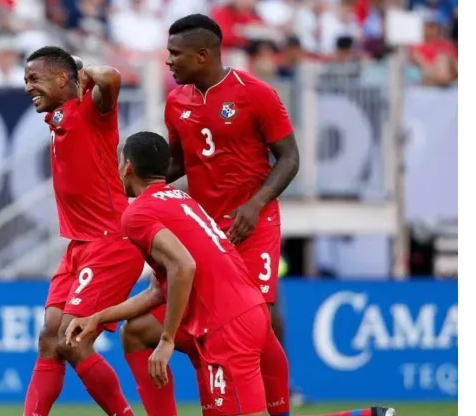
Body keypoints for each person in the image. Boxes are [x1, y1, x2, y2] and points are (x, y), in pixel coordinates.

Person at [120, 14, 395, 416]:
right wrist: (138, 189)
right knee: (141, 331)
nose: (168, 62)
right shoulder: (177, 102)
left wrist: (257, 201)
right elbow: (178, 162)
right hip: (206, 231)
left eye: (175, 54)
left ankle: (274, 407)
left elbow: (290, 157)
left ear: (203, 54)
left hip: (253, 224)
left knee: (254, 329)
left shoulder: (255, 93)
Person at [67, 131, 272, 416]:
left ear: (127, 167)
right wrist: (98, 317)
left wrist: (167, 339)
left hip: (227, 323)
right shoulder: (180, 200)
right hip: (243, 312)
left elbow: (183, 265)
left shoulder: (138, 214)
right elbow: (157, 290)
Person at [21, 46, 142, 416]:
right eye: (26, 80)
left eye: (35, 79)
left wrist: (79, 69)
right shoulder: (58, 120)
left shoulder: (93, 109)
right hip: (79, 246)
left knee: (73, 340)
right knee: (49, 338)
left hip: (111, 242)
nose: (28, 87)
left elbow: (111, 78)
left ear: (62, 79)